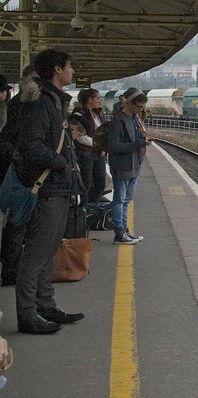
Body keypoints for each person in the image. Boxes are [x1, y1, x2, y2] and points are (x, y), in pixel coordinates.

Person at [14, 49, 84, 334]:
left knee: (48, 252)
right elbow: (31, 146)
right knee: (36, 255)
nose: (72, 72)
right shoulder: (42, 103)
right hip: (48, 188)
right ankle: (28, 315)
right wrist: (62, 164)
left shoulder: (53, 102)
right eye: (70, 67)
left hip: (57, 187)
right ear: (57, 70)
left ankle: (45, 305)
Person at [0, 65, 38, 286]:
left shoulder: (12, 106)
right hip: (17, 174)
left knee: (16, 224)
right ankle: (12, 270)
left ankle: (12, 268)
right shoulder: (21, 107)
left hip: (15, 171)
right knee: (16, 223)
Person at [108, 87, 152, 244]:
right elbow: (114, 146)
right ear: (129, 103)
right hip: (122, 165)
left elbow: (138, 136)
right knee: (119, 200)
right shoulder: (117, 121)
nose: (141, 110)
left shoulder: (134, 118)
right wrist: (139, 143)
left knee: (127, 200)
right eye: (139, 107)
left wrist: (143, 140)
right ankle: (119, 232)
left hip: (134, 164)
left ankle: (125, 230)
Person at [73, 88, 107, 205]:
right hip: (85, 153)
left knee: (100, 183)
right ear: (89, 99)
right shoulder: (79, 114)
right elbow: (79, 136)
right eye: (97, 98)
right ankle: (84, 209)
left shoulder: (97, 114)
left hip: (98, 153)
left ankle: (93, 206)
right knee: (86, 183)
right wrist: (99, 144)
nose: (100, 101)